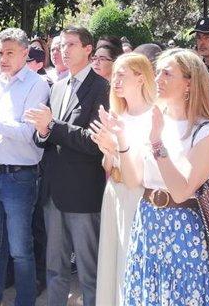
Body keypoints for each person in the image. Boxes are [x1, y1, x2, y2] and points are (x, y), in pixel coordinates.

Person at [109, 48, 209, 305]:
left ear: (189, 83)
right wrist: (121, 141)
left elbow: (182, 191)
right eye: (158, 72)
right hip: (147, 219)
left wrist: (157, 143)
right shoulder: (154, 119)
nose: (158, 78)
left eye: (167, 74)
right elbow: (133, 180)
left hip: (183, 229)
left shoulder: (206, 132)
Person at [25, 27, 110, 306]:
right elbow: (45, 135)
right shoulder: (58, 86)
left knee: (89, 272)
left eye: (71, 44)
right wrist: (42, 131)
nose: (63, 49)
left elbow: (95, 141)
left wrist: (52, 126)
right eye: (61, 45)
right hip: (53, 193)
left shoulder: (102, 88)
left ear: (88, 49)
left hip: (83, 195)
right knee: (55, 268)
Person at [0, 28, 51, 305]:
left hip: (20, 177)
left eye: (9, 53)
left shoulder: (37, 85)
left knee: (20, 249)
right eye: (0, 53)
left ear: (25, 53)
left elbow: (28, 133)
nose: (3, 58)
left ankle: (24, 301)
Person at [89, 53, 155, 305]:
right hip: (113, 191)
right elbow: (107, 165)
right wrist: (107, 149)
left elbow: (139, 173)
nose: (115, 80)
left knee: (129, 256)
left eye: (122, 75)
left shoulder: (154, 116)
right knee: (111, 257)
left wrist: (116, 149)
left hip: (137, 197)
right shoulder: (119, 114)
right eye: (114, 74)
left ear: (140, 78)